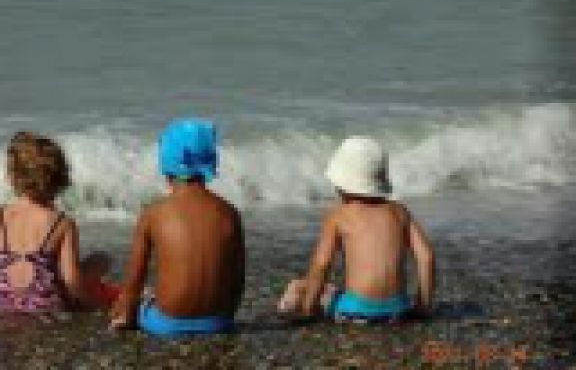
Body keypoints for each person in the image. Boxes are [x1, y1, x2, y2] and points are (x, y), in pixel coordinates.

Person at [109, 119, 245, 336]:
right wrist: (226, 317)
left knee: (145, 299)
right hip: (217, 322)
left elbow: (133, 284)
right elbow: (237, 281)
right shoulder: (230, 213)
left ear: (166, 163)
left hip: (167, 323)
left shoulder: (153, 213)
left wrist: (124, 310)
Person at [277, 136, 435, 322]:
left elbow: (322, 263)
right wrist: (422, 306)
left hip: (354, 312)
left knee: (296, 287)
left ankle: (296, 311)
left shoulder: (339, 215)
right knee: (332, 290)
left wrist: (309, 307)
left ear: (342, 184)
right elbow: (426, 257)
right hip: (398, 310)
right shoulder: (399, 211)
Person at [0, 131, 84, 312]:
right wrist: (89, 307)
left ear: (12, 177)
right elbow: (71, 281)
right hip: (44, 306)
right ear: (60, 179)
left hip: (4, 305)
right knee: (101, 260)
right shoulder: (61, 223)